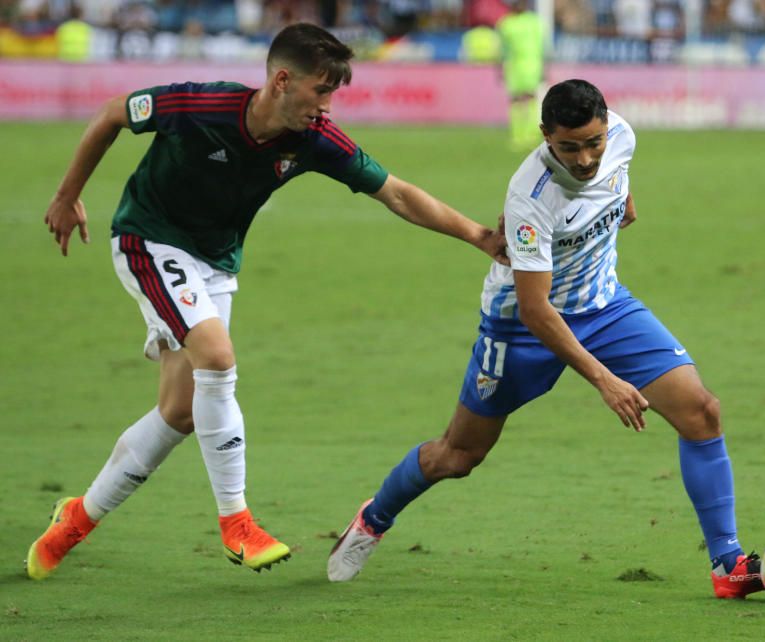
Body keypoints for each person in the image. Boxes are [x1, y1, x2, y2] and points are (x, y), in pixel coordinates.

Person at [28, 22, 508, 580]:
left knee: (182, 412)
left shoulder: (314, 140)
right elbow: (114, 112)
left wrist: (477, 235)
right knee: (218, 357)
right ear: (282, 80)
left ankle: (76, 519)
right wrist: (67, 196)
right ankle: (236, 522)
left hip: (215, 262)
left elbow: (396, 192)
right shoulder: (199, 105)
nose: (327, 106)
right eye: (321, 92)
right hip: (149, 239)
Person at [326, 79, 764, 599]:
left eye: (593, 142)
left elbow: (615, 175)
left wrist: (623, 202)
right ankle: (374, 518)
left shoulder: (621, 135)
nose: (584, 159)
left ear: (607, 124)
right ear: (545, 137)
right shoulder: (532, 198)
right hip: (521, 329)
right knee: (458, 456)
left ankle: (728, 565)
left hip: (604, 306)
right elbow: (537, 310)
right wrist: (605, 381)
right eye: (569, 147)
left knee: (702, 412)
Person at [495, 0, 544, 151]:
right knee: (516, 99)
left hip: (532, 64)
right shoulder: (505, 24)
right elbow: (502, 49)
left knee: (530, 96)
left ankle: (531, 133)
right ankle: (518, 134)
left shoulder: (534, 21)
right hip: (514, 65)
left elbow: (543, 46)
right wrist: (500, 67)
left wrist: (545, 66)